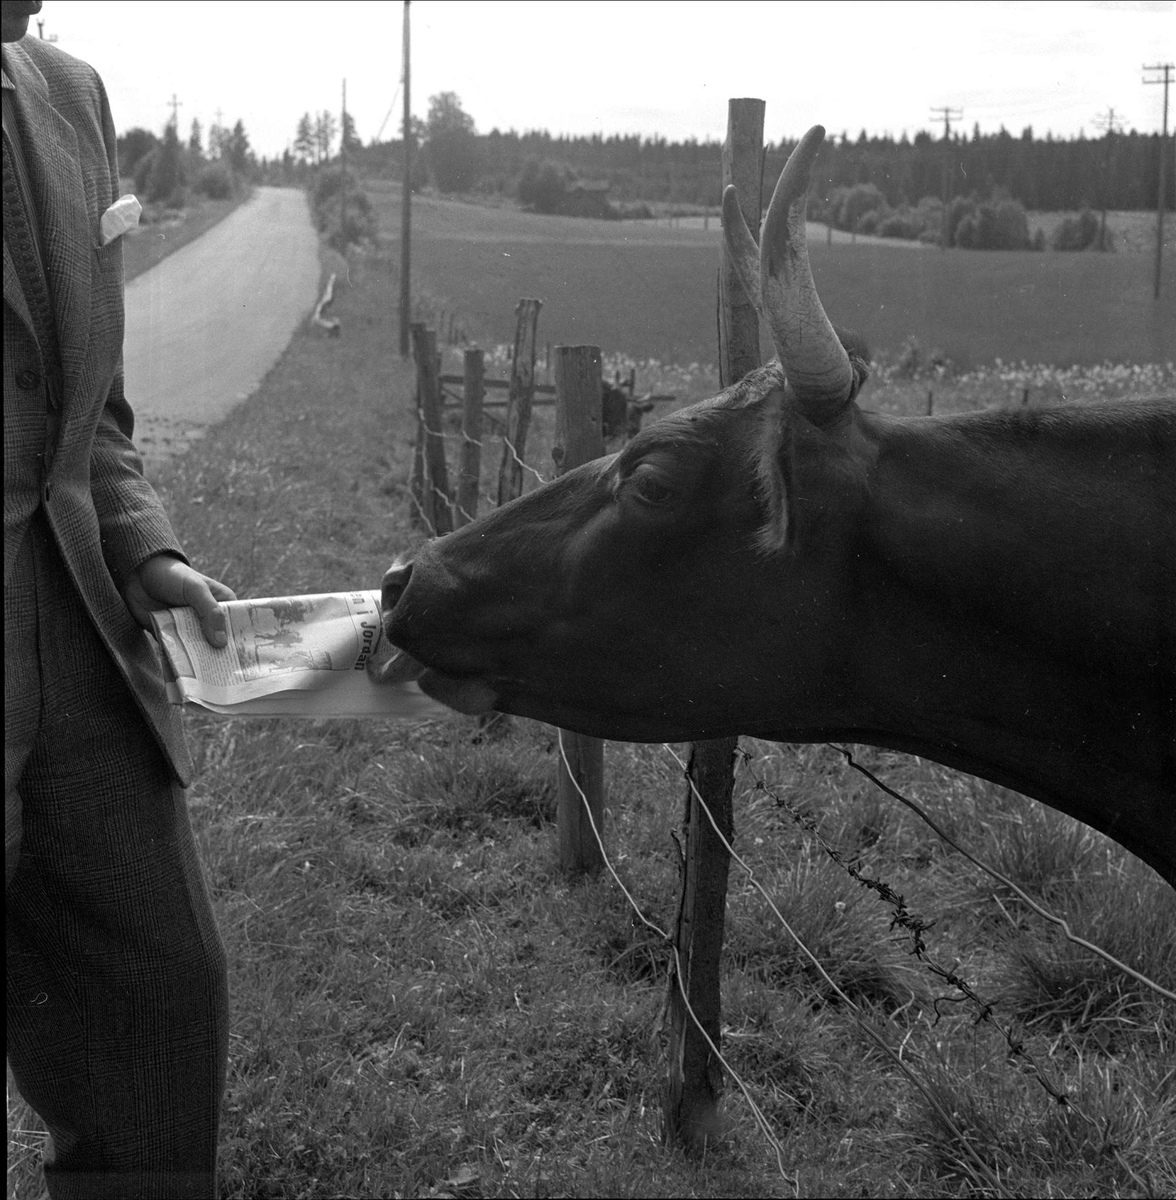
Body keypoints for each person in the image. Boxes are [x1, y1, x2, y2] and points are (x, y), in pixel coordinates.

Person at [4, 3, 234, 1195]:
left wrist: (147, 553)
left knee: (161, 1001)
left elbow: (89, 406)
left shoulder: (68, 93)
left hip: (85, 647)